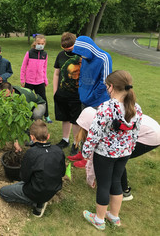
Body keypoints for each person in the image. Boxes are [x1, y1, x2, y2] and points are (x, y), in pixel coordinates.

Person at [82, 70, 142, 231]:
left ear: (111, 87)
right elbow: (136, 133)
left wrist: (86, 152)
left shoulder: (105, 108)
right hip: (124, 153)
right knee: (116, 182)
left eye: (107, 86)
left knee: (103, 184)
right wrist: (130, 148)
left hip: (105, 154)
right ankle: (114, 216)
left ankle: (99, 219)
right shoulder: (136, 108)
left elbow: (94, 134)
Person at [73, 106, 160, 201]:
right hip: (149, 126)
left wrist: (90, 180)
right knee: (116, 156)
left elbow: (93, 159)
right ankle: (116, 185)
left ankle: (124, 192)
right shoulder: (104, 117)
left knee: (117, 158)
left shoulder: (106, 129)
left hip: (151, 135)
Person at [0, 120, 66, 217]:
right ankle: (41, 200)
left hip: (36, 191)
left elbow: (24, 178)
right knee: (26, 183)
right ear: (48, 136)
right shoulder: (58, 150)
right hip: (54, 188)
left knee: (3, 192)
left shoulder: (32, 153)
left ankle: (37, 203)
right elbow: (62, 172)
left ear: (32, 137)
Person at [53, 32, 82, 154]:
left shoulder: (81, 56)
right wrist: (55, 91)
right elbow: (56, 73)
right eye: (65, 48)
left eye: (70, 48)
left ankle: (76, 143)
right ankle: (65, 140)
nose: (67, 51)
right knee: (64, 118)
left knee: (75, 120)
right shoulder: (60, 55)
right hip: (62, 94)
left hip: (76, 95)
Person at [72, 35, 112, 108]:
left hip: (99, 103)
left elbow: (105, 81)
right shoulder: (84, 58)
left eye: (82, 52)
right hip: (84, 101)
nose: (81, 56)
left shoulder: (104, 57)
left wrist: (92, 97)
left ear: (88, 48)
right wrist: (81, 92)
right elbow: (82, 75)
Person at [20, 34, 52, 123]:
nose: (40, 45)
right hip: (29, 81)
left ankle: (46, 116)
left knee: (43, 99)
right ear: (35, 43)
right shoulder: (29, 53)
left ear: (44, 44)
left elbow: (44, 68)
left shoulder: (45, 54)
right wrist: (22, 79)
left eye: (42, 43)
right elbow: (23, 67)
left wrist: (45, 80)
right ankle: (25, 115)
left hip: (40, 81)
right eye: (38, 43)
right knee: (27, 99)